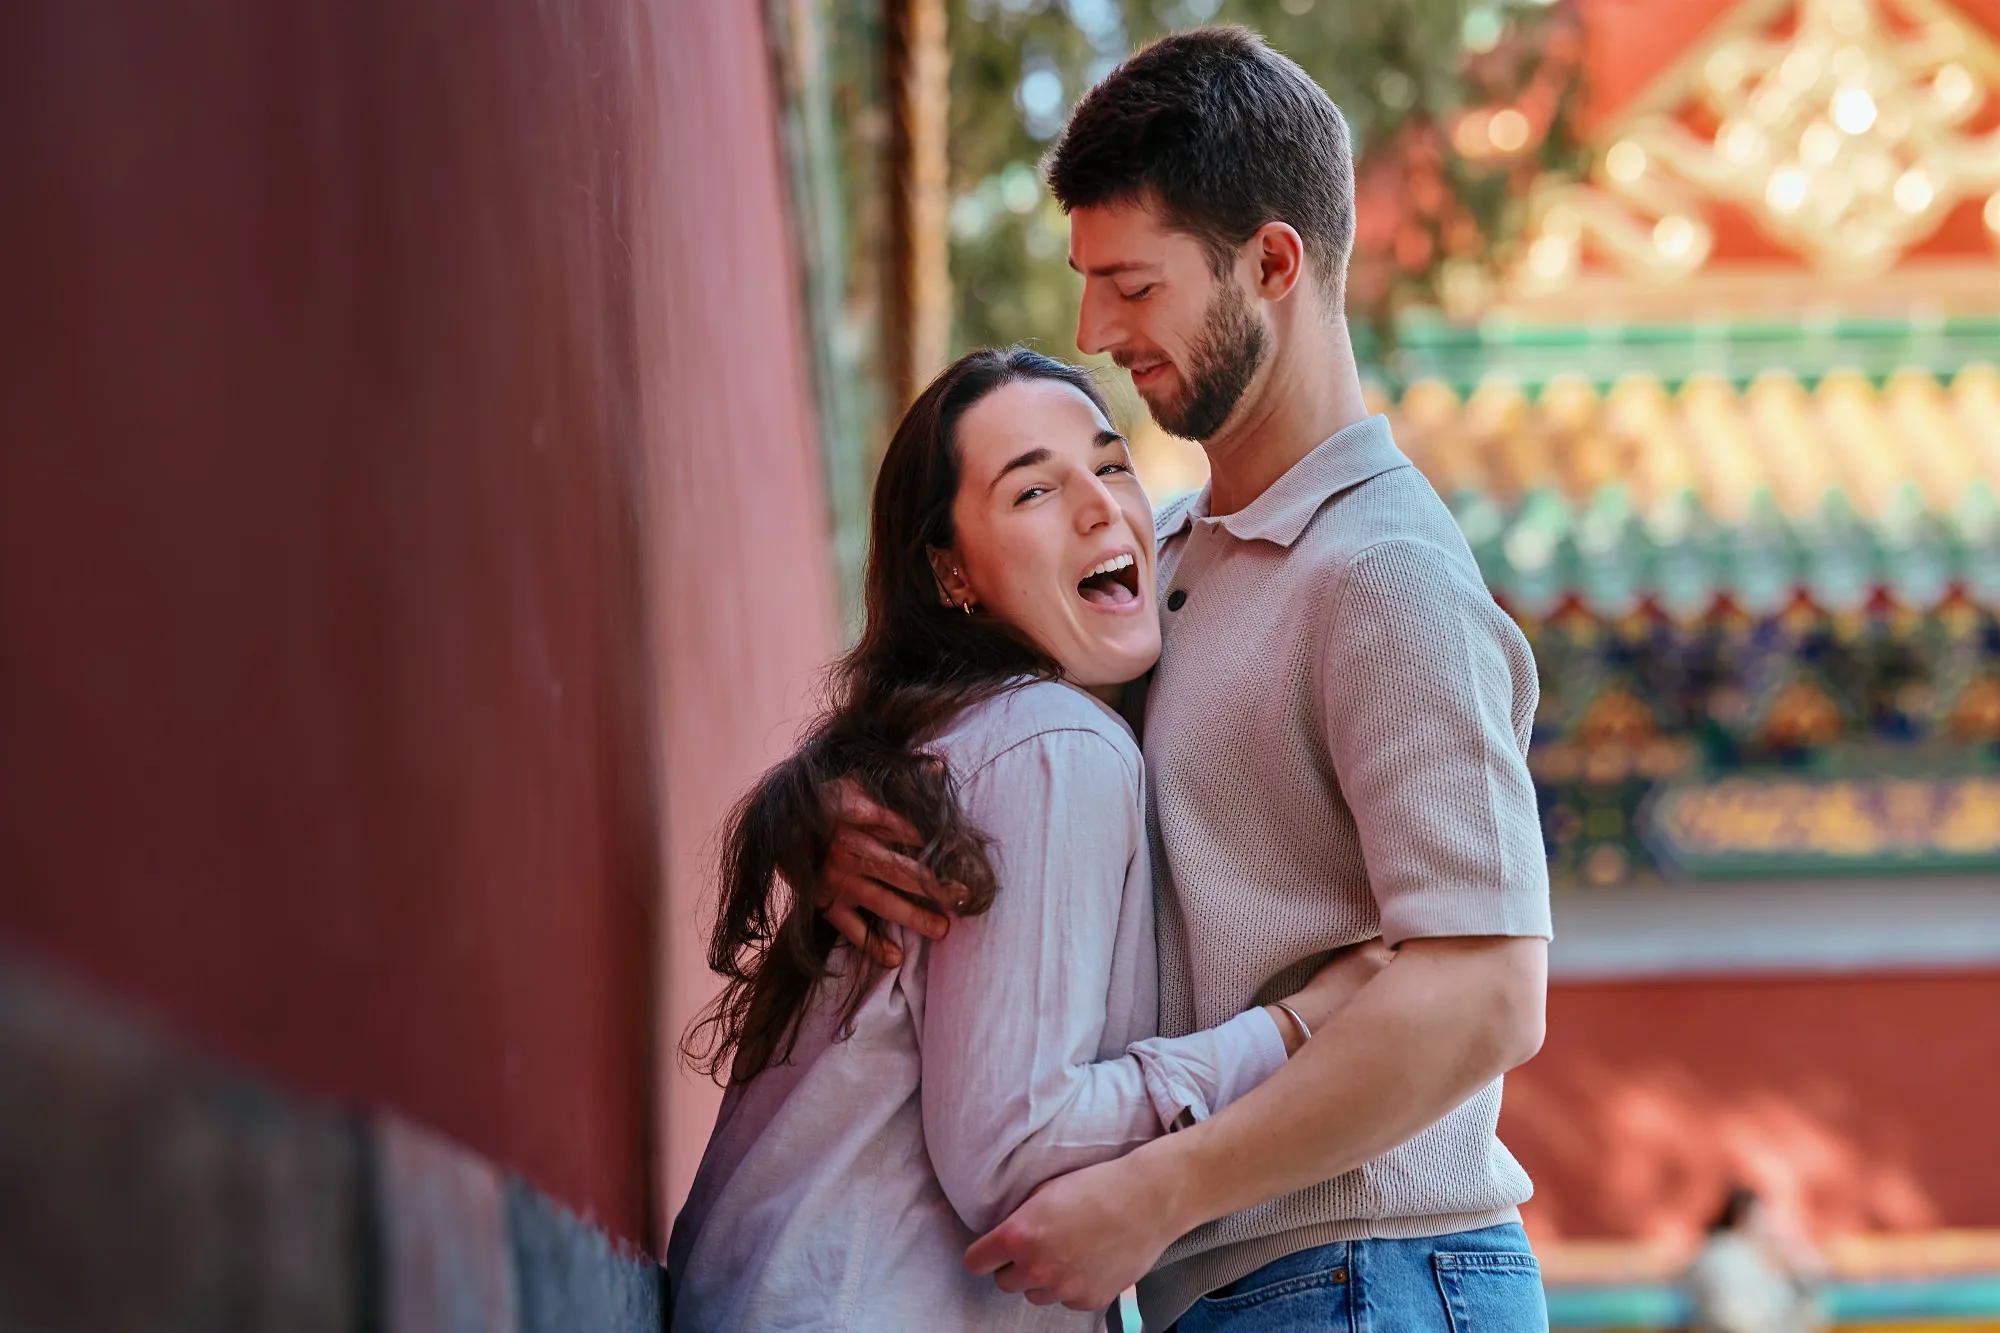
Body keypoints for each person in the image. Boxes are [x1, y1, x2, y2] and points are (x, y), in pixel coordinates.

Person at [819, 27, 1555, 1332]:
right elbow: (969, 735)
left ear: (1272, 263)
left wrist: (1162, 1191)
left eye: (1134, 286)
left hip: (1373, 1273)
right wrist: (826, 814)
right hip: (1245, 1284)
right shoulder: (1155, 559)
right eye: (1087, 283)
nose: (1096, 332)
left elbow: (1489, 990)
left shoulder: (1384, 574)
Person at [665, 347, 1385, 1331]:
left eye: (1110, 463)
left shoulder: (951, 743)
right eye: (1033, 489)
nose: (1097, 506)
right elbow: (1015, 1148)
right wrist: (1295, 1026)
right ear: (949, 571)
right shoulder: (1052, 743)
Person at [1686, 1187, 1827, 1333]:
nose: (1764, 1224)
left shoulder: (1759, 1254)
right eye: (1759, 1216)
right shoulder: (1722, 1254)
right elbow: (1733, 1315)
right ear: (1743, 1216)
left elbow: (1809, 1298)